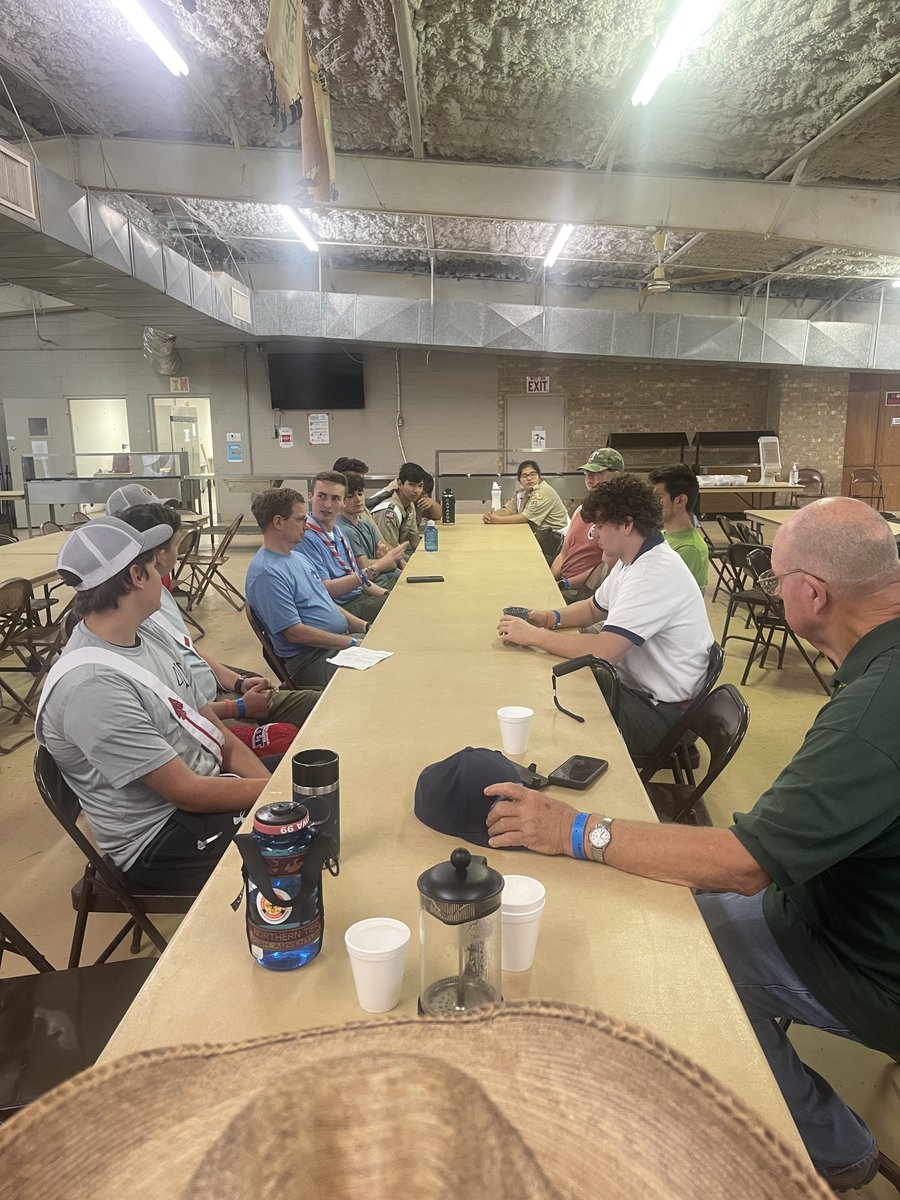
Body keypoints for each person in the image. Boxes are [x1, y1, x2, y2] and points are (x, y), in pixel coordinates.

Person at [486, 496, 900, 1192]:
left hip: (867, 961)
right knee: (672, 914)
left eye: (774, 579)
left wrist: (575, 829)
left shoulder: (873, 713)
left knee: (682, 960)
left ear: (812, 594)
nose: (770, 590)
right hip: (844, 910)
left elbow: (744, 866)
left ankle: (832, 1147)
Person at [35, 517, 270, 890]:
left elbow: (210, 725)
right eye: (151, 562)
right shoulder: (92, 686)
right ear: (136, 577)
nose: (162, 566)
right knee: (305, 831)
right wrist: (278, 793)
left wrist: (269, 785)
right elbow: (187, 793)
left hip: (203, 781)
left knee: (316, 778)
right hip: (160, 833)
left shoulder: (146, 632)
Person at [497, 474, 713, 758]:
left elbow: (603, 652)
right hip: (639, 690)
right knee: (556, 678)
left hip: (662, 714)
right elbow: (593, 608)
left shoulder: (653, 573)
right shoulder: (633, 558)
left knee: (556, 714)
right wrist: (547, 617)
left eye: (599, 526)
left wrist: (534, 636)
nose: (595, 534)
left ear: (626, 524)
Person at [120, 502, 319, 735]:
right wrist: (238, 707)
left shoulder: (157, 593)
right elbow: (171, 710)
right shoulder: (137, 618)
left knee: (318, 704)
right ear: (161, 557)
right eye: (177, 544)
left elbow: (189, 649)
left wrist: (239, 683)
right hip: (208, 714)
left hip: (222, 694)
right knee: (287, 740)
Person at [245, 488, 367, 688]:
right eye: (301, 520)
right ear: (278, 522)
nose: (307, 527)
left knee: (393, 645)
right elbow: (295, 633)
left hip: (336, 645)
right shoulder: (267, 574)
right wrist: (352, 643)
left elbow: (324, 601)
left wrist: (363, 627)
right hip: (311, 660)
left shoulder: (298, 556)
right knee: (381, 673)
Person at [295, 471, 388, 624]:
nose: (327, 504)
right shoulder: (305, 537)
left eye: (335, 498)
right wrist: (372, 570)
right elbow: (325, 590)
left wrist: (387, 594)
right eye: (321, 496)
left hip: (360, 595)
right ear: (310, 496)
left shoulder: (338, 532)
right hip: (342, 608)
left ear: (343, 502)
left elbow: (357, 576)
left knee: (400, 600)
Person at [551, 448, 624, 602]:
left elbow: (603, 571)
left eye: (597, 472)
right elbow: (564, 554)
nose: (590, 477)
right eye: (587, 472)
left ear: (616, 475)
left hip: (587, 593)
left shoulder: (617, 518)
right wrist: (550, 580)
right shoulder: (579, 510)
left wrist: (564, 584)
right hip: (564, 585)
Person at [337, 472, 408, 588]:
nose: (358, 499)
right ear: (340, 500)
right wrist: (384, 561)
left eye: (360, 494)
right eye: (350, 496)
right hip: (372, 587)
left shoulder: (365, 524)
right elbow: (364, 566)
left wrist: (388, 561)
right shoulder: (345, 529)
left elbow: (387, 553)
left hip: (384, 579)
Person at [648, 465, 708, 591]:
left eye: (658, 497)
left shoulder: (689, 549)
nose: (652, 503)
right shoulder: (663, 534)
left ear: (680, 501)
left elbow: (661, 594)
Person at [482, 460, 568, 531]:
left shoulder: (542, 491)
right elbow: (508, 510)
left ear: (539, 476)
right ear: (519, 480)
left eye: (533, 474)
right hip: (538, 533)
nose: (529, 478)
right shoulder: (522, 493)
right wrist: (492, 516)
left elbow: (525, 518)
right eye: (524, 476)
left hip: (553, 537)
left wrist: (497, 520)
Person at [371, 462, 427, 550]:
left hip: (395, 555)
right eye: (411, 485)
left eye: (420, 486)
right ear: (399, 484)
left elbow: (415, 540)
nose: (416, 491)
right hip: (380, 558)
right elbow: (389, 552)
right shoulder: (388, 511)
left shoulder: (410, 504)